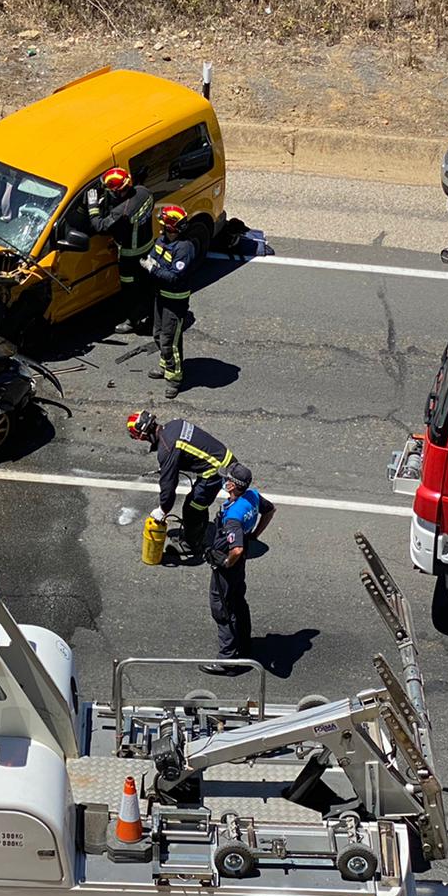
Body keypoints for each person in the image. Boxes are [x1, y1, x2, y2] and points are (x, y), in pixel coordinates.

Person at [199, 462, 276, 675]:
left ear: (232, 486)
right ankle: (244, 644)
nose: (224, 481)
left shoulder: (233, 516)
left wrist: (225, 562)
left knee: (222, 607)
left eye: (227, 479)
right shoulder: (252, 496)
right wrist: (254, 535)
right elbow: (270, 510)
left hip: (229, 563)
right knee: (238, 601)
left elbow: (237, 549)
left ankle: (228, 660)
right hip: (239, 563)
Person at [127, 410, 236, 559]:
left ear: (142, 435)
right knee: (199, 504)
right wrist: (170, 465)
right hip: (222, 458)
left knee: (192, 508)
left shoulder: (167, 448)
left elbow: (169, 484)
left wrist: (163, 509)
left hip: (216, 471)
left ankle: (191, 546)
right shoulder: (174, 425)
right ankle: (199, 532)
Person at [88, 166, 155, 334]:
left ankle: (133, 320)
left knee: (130, 289)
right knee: (148, 285)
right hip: (148, 246)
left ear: (118, 191)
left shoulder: (122, 212)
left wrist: (93, 206)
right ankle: (153, 316)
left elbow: (100, 226)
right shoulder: (145, 192)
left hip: (130, 255)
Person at [142, 204, 199, 397]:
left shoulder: (184, 249)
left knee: (170, 341)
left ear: (171, 227)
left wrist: (153, 269)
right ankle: (166, 365)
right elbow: (153, 256)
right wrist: (151, 265)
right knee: (158, 334)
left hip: (175, 301)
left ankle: (174, 378)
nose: (161, 227)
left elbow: (174, 277)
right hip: (161, 296)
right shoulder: (162, 240)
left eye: (164, 225)